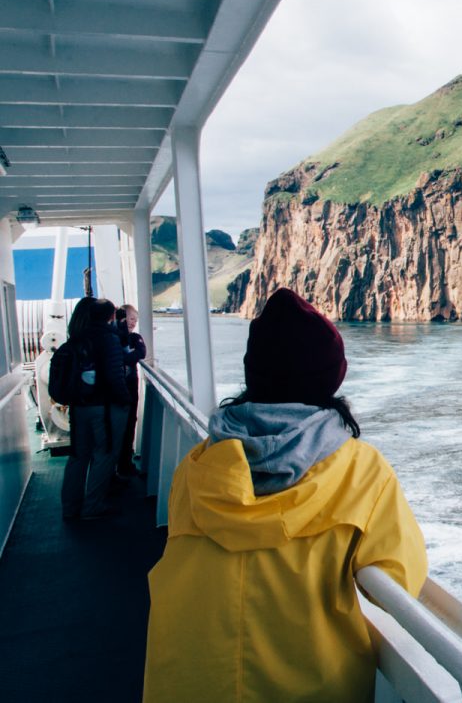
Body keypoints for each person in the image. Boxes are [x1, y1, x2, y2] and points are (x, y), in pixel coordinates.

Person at [143, 288, 427, 702]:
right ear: (330, 378)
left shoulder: (198, 465)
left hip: (191, 675)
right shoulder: (361, 470)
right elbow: (398, 582)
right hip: (307, 681)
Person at [61, 298, 134, 520]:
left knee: (78, 456)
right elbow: (114, 375)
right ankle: (92, 506)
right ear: (110, 316)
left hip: (78, 406)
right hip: (101, 409)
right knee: (105, 454)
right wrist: (126, 399)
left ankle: (70, 508)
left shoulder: (76, 338)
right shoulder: (108, 339)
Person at [114, 304, 147, 478]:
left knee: (130, 423)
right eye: (130, 318)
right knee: (118, 426)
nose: (132, 322)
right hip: (118, 389)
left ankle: (124, 463)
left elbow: (140, 353)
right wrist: (127, 357)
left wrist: (123, 358)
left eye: (135, 319)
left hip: (130, 389)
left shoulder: (134, 338)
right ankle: (117, 466)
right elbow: (130, 356)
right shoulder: (114, 338)